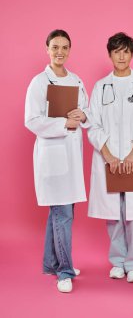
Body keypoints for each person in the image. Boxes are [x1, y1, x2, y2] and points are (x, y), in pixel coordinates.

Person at [88, 32, 133, 283]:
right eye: (116, 51)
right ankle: (118, 262)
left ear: (131, 54)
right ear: (109, 54)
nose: (121, 55)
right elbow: (93, 125)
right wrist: (107, 155)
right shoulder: (100, 86)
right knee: (114, 215)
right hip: (109, 160)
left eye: (126, 51)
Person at [25, 29, 90, 293]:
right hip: (52, 159)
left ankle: (52, 263)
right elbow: (32, 121)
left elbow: (87, 111)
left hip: (72, 158)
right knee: (62, 214)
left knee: (62, 213)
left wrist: (81, 115)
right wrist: (65, 122)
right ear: (47, 49)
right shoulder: (39, 82)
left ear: (70, 50)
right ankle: (64, 271)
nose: (60, 52)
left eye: (64, 47)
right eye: (55, 47)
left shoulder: (76, 80)